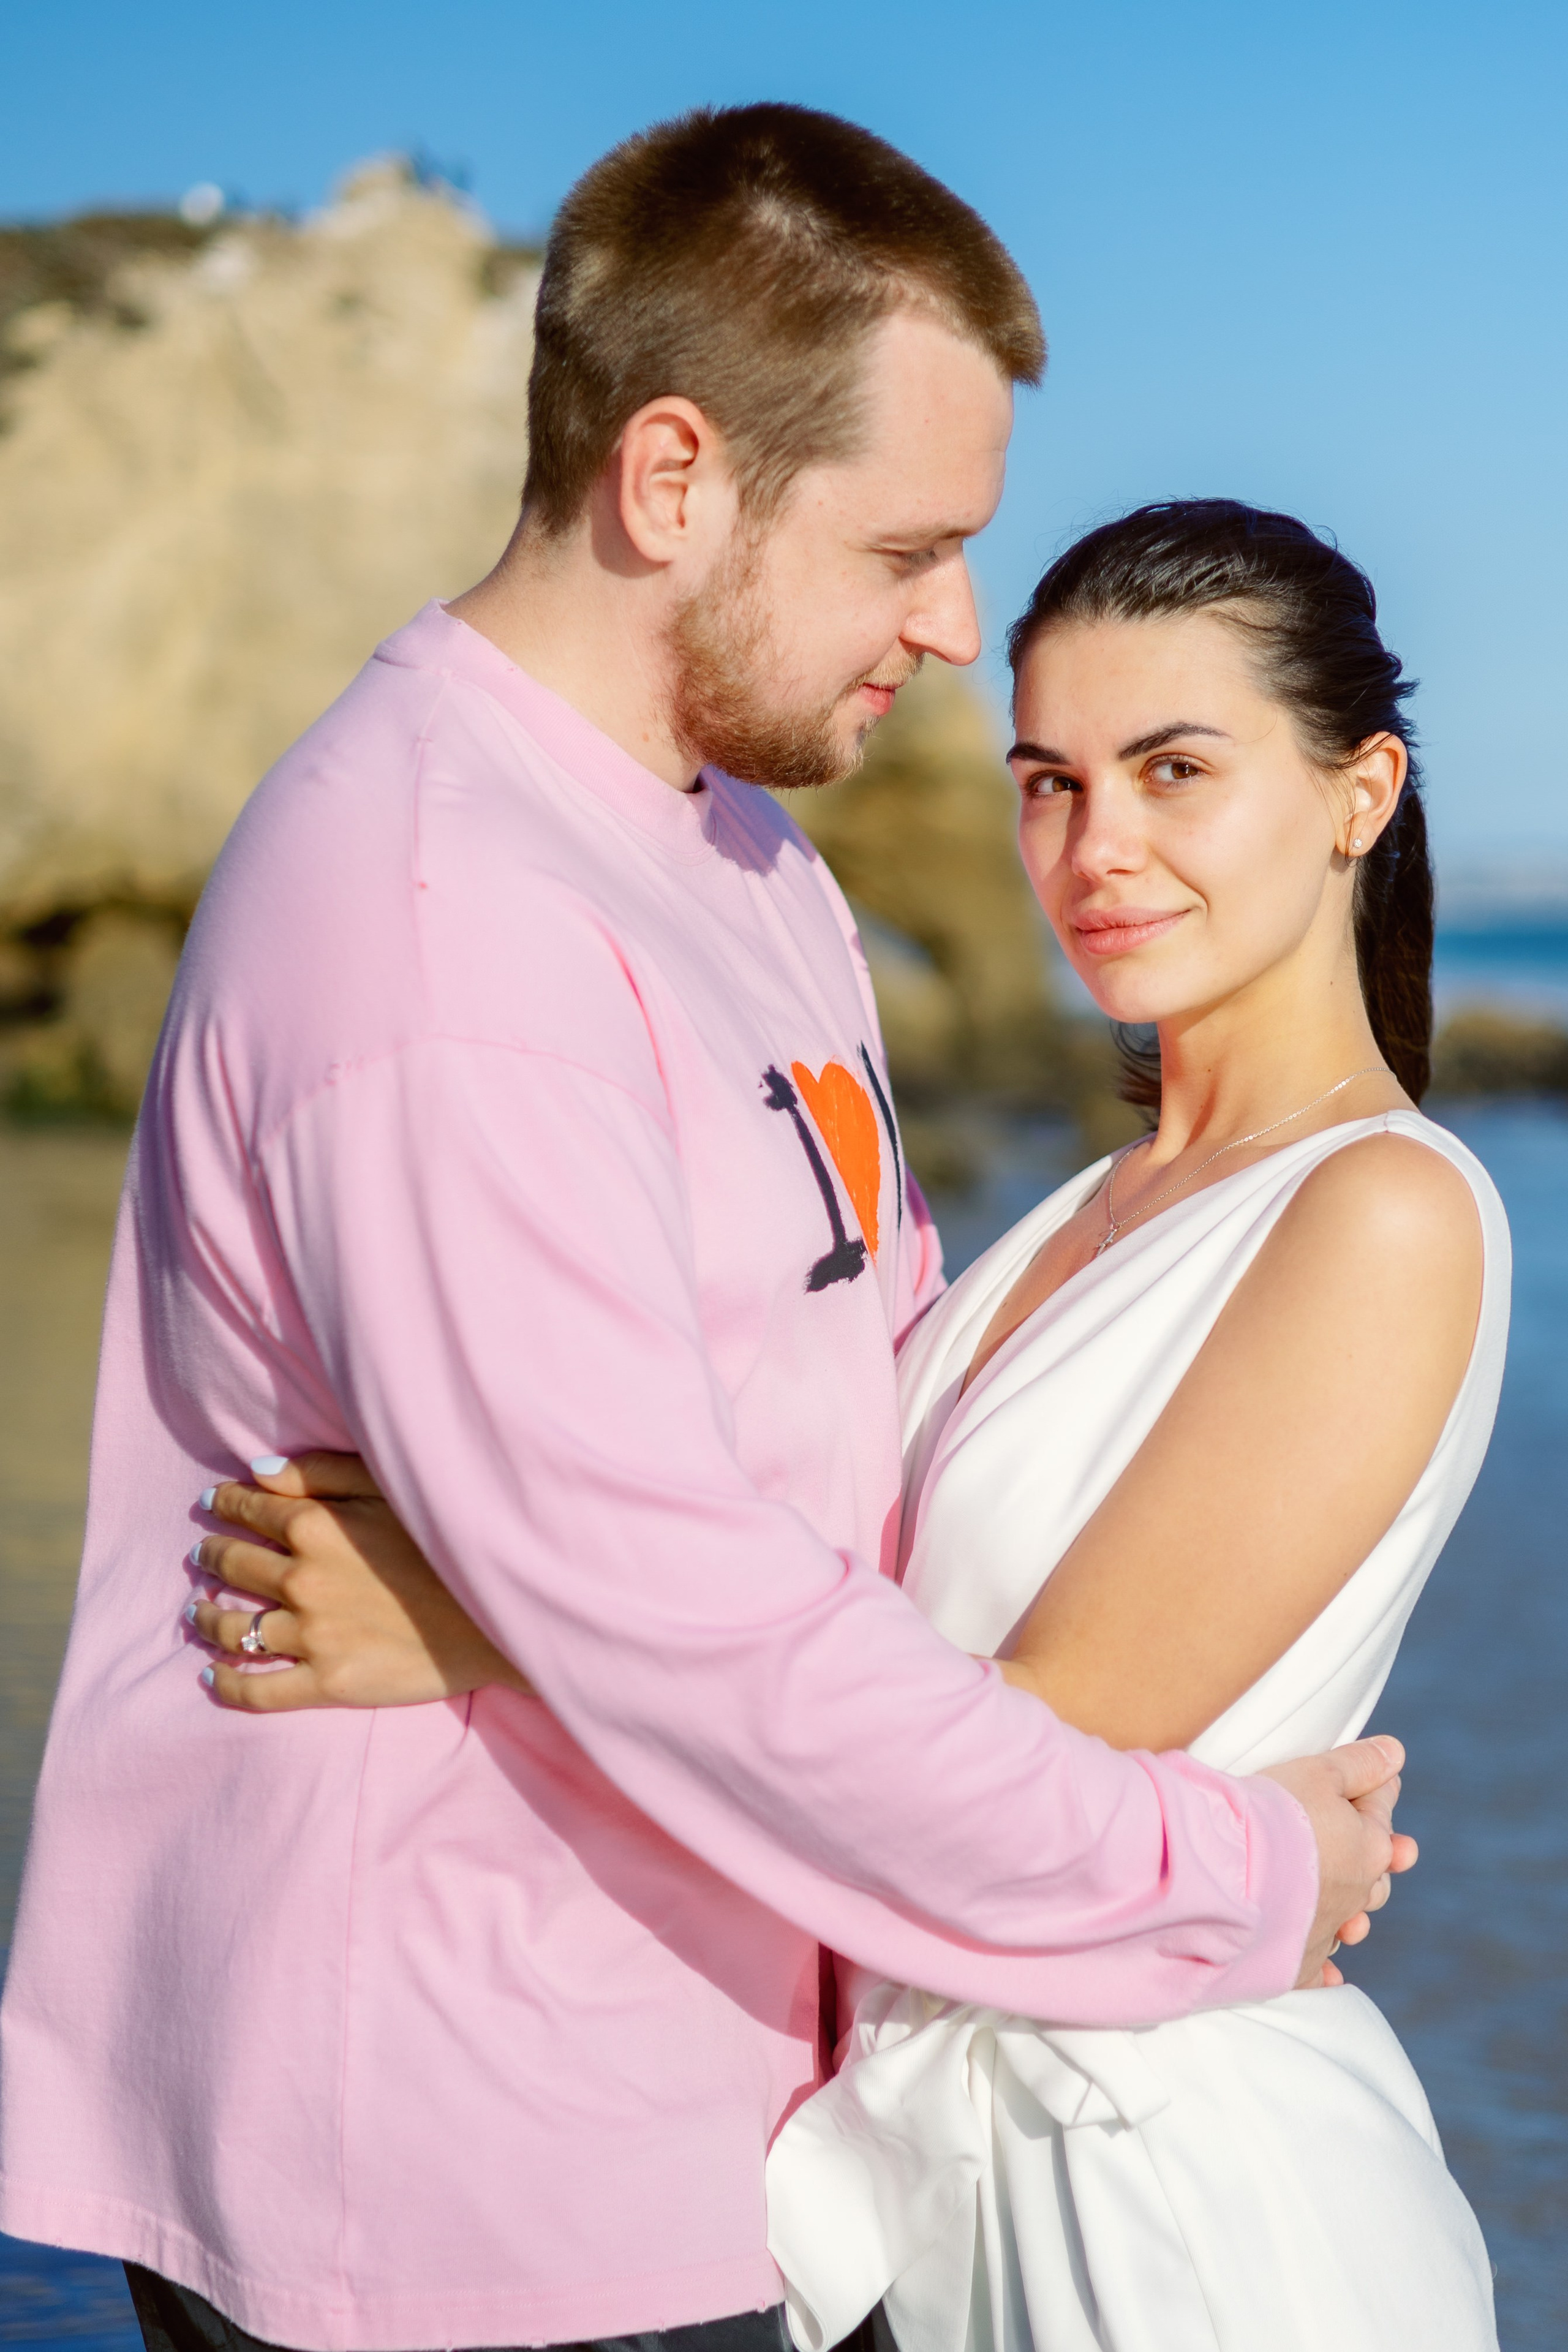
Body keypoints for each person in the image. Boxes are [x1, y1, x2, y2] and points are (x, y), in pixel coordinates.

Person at [0, 104, 1404, 2352]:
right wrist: (1228, 1877)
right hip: (459, 2186)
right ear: (675, 483)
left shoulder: (746, 861)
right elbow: (688, 1624)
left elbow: (831, 1457)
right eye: (908, 547)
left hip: (715, 2131)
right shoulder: (446, 929)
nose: (957, 629)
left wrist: (501, 1610)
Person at [194, 502, 1507, 2351]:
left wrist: (479, 1613)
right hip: (931, 2167)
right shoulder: (1081, 1212)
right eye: (1048, 783)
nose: (1095, 851)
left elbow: (1029, 1734)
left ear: (1359, 792)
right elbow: (820, 1569)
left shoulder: (1384, 1213)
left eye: (1173, 771)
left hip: (1167, 2195)